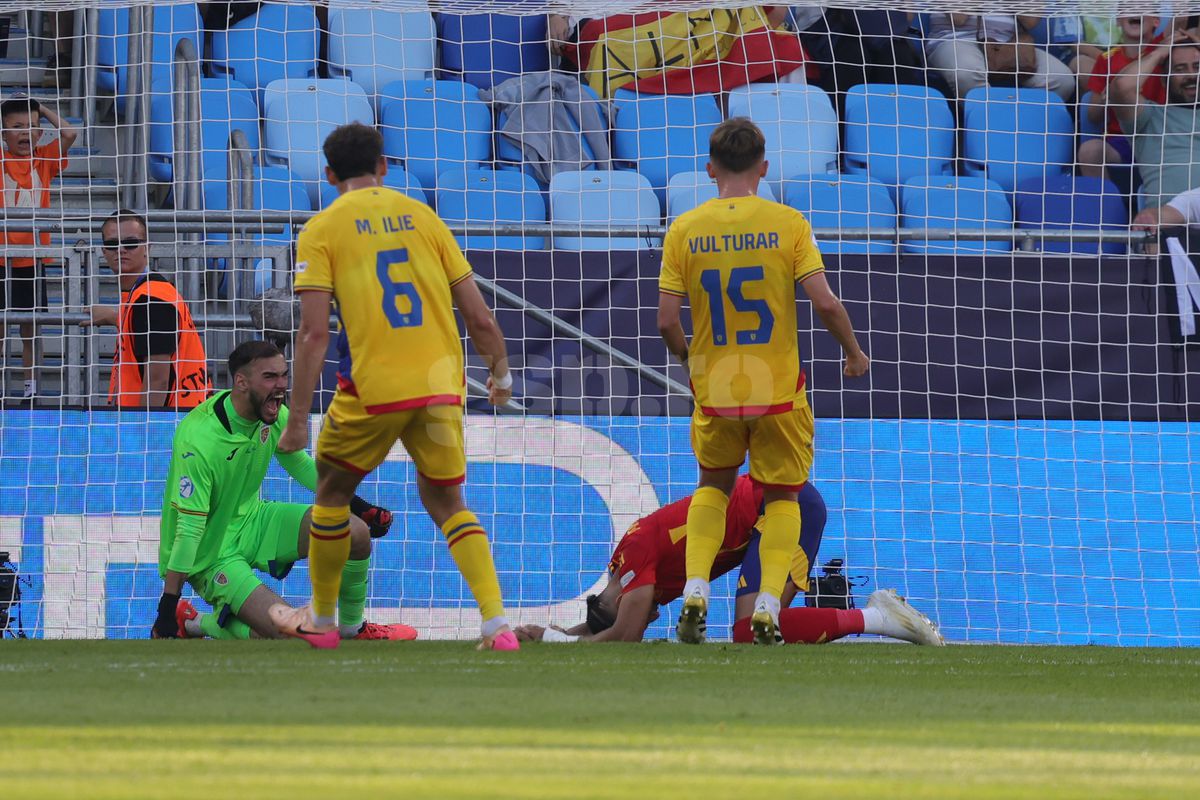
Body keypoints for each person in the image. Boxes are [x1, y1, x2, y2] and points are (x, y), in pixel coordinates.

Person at [278, 122, 518, 650]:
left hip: (374, 387)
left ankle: (321, 620)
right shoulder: (425, 218)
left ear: (328, 174)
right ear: (384, 166)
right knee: (449, 501)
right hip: (439, 385)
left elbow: (314, 332)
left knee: (332, 494)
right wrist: (499, 375)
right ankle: (497, 624)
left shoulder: (321, 228)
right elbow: (478, 316)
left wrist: (297, 418)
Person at [657, 117, 869, 646]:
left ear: (710, 169)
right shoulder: (788, 222)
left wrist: (690, 362)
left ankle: (696, 590)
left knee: (713, 488)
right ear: (764, 167)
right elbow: (824, 301)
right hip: (778, 393)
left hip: (717, 391)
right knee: (781, 499)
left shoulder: (683, 229)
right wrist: (854, 352)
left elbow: (665, 320)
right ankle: (770, 603)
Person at [153, 340, 413, 644]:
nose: (280, 386)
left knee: (355, 533)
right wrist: (166, 606)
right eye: (270, 377)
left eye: (283, 375)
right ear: (241, 382)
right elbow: (189, 530)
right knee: (299, 638)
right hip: (209, 553)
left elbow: (299, 464)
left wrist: (357, 506)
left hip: (255, 522)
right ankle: (197, 623)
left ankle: (353, 629)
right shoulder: (198, 442)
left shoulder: (270, 413)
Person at [514, 476, 943, 646]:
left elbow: (622, 634)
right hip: (766, 513)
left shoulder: (635, 559)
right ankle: (875, 616)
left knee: (752, 630)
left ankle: (879, 617)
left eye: (639, 614)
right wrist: (552, 633)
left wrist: (557, 642)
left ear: (622, 597)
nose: (647, 621)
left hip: (783, 508)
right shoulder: (630, 576)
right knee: (753, 633)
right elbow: (609, 623)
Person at [82, 209, 212, 409]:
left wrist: (144, 430)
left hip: (169, 423)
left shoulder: (151, 299)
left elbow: (157, 381)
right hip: (180, 415)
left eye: (130, 243)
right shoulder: (145, 295)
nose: (121, 250)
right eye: (112, 244)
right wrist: (114, 317)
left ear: (147, 248)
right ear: (103, 252)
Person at [0, 95, 76, 400]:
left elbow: (70, 133)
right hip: (1, 260)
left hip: (31, 261)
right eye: (16, 127)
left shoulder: (43, 159)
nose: (25, 133)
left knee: (30, 330)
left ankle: (30, 391)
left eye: (32, 127)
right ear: (3, 134)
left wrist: (40, 109)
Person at [1109, 28, 1200, 207]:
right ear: (1164, 80)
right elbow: (1121, 88)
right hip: (1171, 226)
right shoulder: (1150, 117)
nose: (1191, 75)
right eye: (1180, 69)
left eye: (1197, 67)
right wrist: (1159, 53)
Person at [1077, 15, 1166, 184]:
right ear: (1118, 19)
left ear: (1156, 21)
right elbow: (1093, 117)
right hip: (1121, 141)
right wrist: (1106, 99)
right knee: (1089, 151)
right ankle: (1107, 208)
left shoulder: (1163, 49)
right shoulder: (1105, 60)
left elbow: (1182, 21)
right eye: (1129, 6)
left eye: (1142, 6)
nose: (1135, 10)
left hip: (1159, 138)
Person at [923, 14, 1075, 101]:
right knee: (967, 72)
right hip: (956, 39)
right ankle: (988, 126)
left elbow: (1031, 20)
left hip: (1007, 43)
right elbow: (958, 16)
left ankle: (1022, 128)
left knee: (1061, 79)